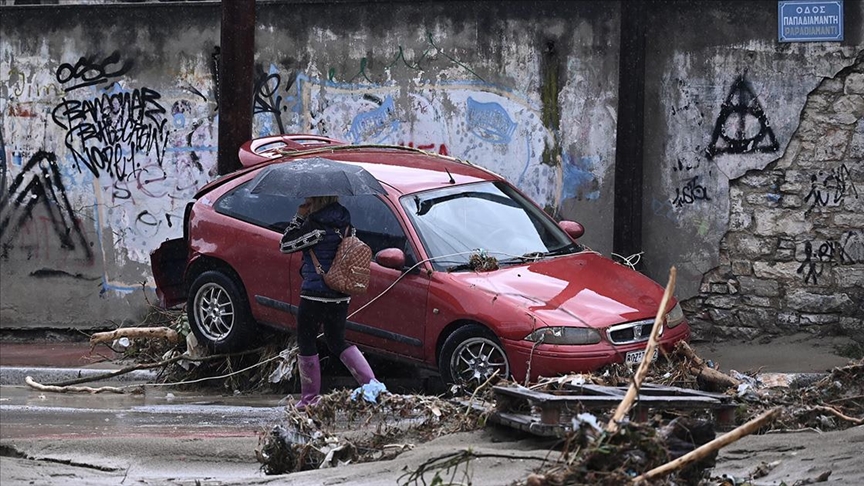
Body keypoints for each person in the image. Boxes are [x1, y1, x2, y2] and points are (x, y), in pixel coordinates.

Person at [279, 195, 381, 410]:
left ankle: (309, 399)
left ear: (316, 200)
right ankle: (373, 386)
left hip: (314, 294)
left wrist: (299, 218)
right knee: (337, 341)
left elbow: (286, 244)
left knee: (307, 341)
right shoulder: (346, 224)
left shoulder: (314, 227)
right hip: (340, 294)